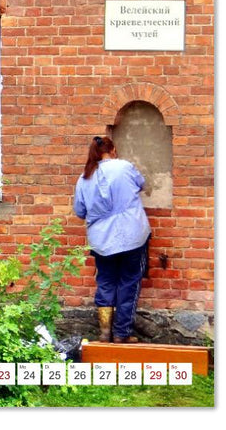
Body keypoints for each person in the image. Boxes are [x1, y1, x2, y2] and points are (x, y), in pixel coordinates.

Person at [74, 136, 151, 344]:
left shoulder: (84, 178)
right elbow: (142, 184)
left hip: (101, 240)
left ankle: (104, 333)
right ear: (113, 150)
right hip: (132, 235)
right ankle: (121, 333)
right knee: (129, 282)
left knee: (106, 282)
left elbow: (80, 211)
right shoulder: (124, 167)